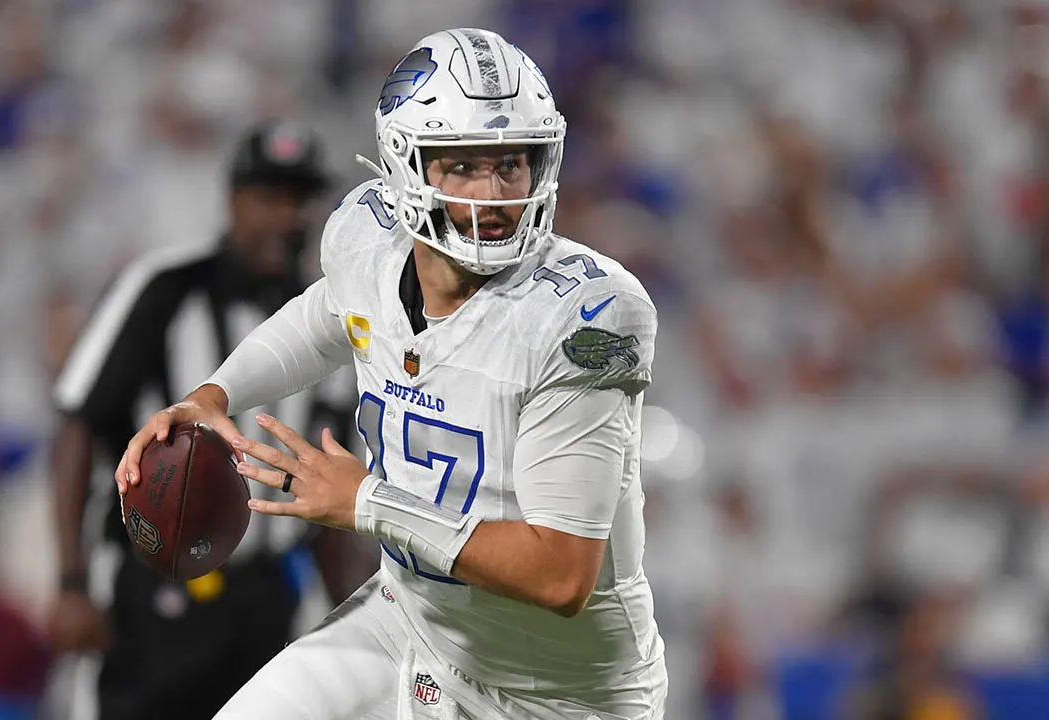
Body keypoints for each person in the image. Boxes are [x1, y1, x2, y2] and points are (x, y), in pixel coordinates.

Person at [117, 29, 668, 720]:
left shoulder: (586, 319)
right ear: (407, 168)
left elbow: (560, 574)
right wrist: (215, 394)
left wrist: (367, 502)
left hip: (560, 694)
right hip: (409, 623)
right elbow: (327, 314)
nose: (495, 194)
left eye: (512, 163)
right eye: (463, 166)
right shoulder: (370, 241)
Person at [50, 120, 371, 720]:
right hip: (150, 588)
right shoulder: (164, 288)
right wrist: (71, 581)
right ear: (232, 200)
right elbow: (78, 423)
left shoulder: (334, 320)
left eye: (298, 200)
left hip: (266, 596)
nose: (286, 218)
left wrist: (350, 616)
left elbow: (329, 485)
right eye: (269, 198)